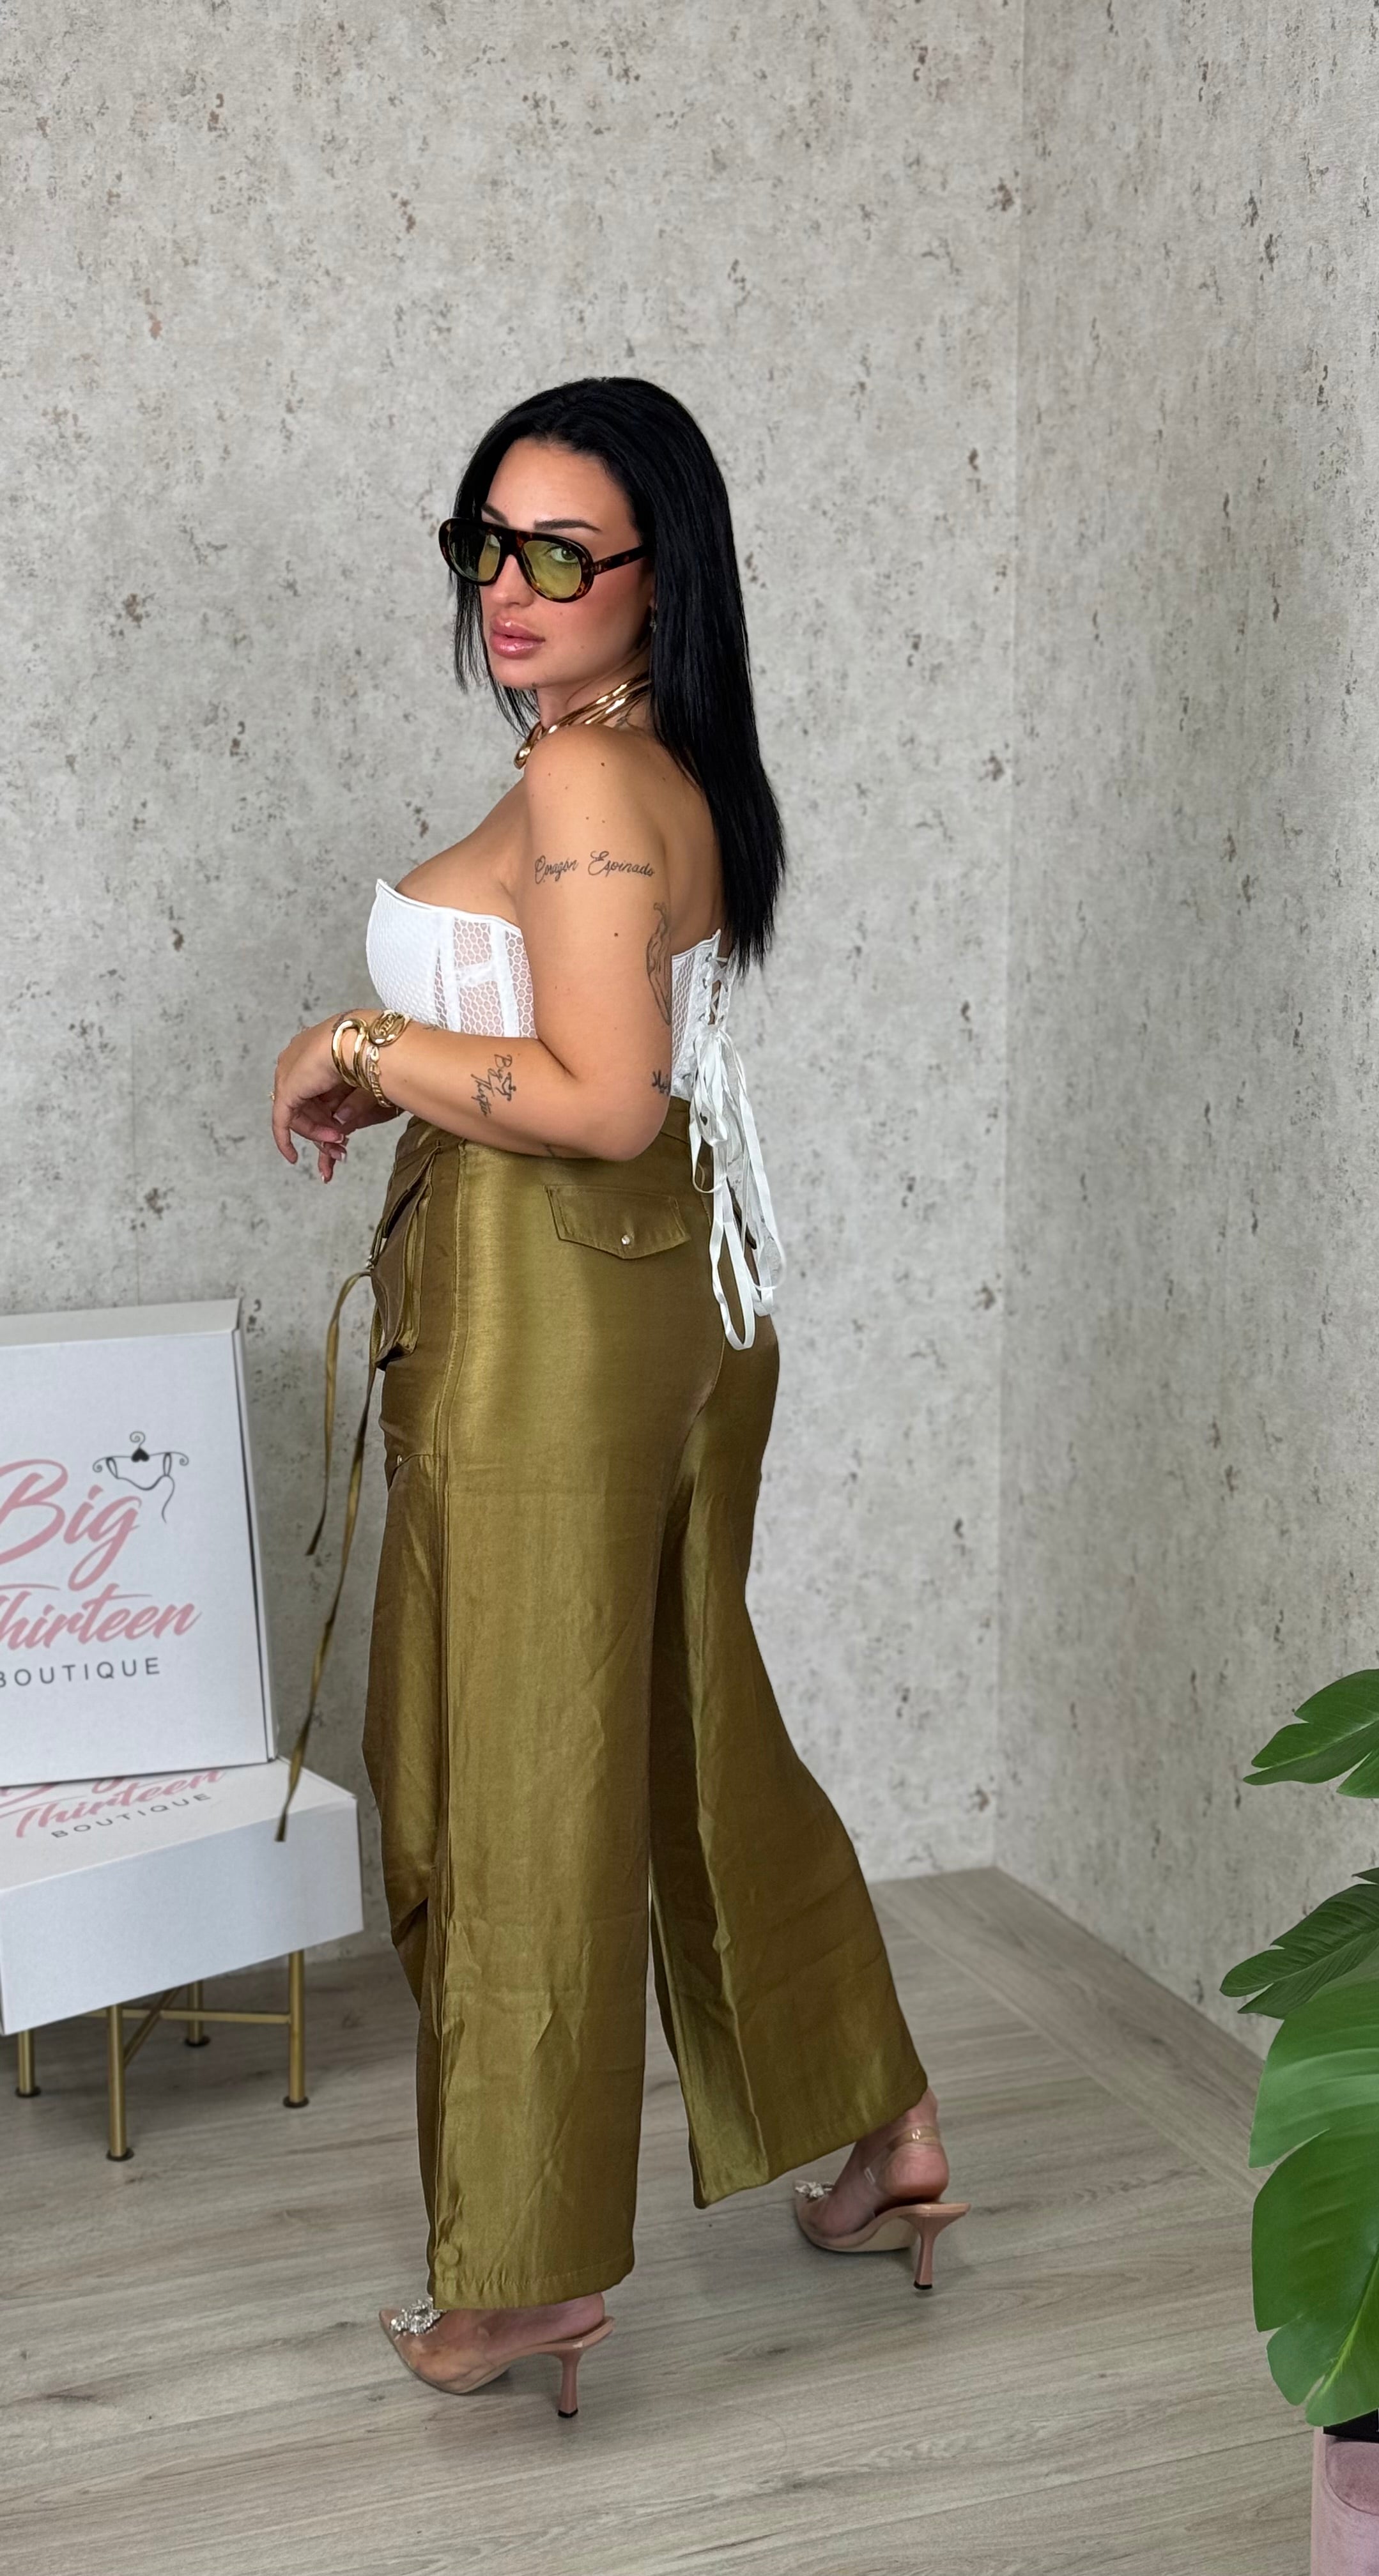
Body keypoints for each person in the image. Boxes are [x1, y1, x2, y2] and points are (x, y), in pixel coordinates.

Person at [270, 376, 967, 2419]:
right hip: (671, 1290)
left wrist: (357, 1041)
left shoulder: (587, 780)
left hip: (557, 1302)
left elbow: (595, 1099)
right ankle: (883, 2122)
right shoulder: (654, 766)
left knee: (509, 1774)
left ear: (663, 577)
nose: (509, 586)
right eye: (485, 542)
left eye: (561, 552)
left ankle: (519, 2280)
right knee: (681, 1723)